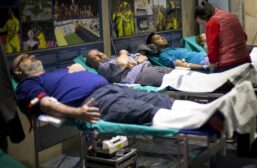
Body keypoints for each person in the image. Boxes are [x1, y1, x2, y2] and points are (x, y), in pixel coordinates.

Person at [11, 54, 227, 131]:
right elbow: (45, 104)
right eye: (23, 58)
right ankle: (205, 120)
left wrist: (79, 71)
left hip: (112, 88)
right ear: (18, 70)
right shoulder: (26, 85)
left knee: (157, 98)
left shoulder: (58, 71)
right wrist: (77, 114)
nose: (29, 55)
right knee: (142, 111)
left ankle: (211, 109)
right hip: (93, 101)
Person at [194, 1, 250, 72]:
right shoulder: (230, 15)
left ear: (204, 17)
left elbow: (212, 47)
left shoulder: (212, 23)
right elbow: (244, 37)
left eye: (202, 23)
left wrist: (212, 65)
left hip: (230, 64)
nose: (204, 26)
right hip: (245, 59)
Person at [86, 49, 172, 87]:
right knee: (177, 80)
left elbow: (143, 57)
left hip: (150, 68)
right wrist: (123, 52)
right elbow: (123, 62)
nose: (99, 55)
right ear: (92, 65)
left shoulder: (113, 59)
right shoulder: (102, 69)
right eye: (95, 57)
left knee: (179, 73)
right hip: (142, 75)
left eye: (98, 52)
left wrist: (134, 61)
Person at [145, 32, 210, 71]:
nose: (163, 38)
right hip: (203, 61)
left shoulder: (174, 49)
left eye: (161, 36)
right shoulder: (163, 56)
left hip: (207, 56)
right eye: (158, 38)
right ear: (153, 46)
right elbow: (183, 65)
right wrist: (203, 67)